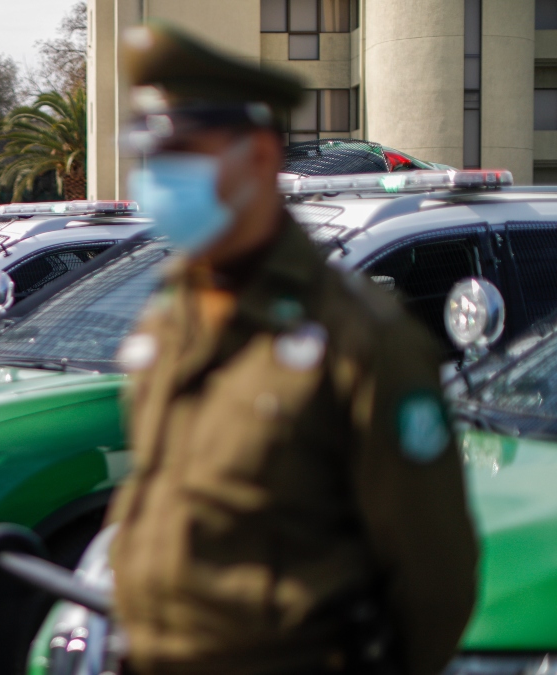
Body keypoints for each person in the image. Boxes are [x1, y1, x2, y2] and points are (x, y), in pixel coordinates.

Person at [107, 22, 477, 675]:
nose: (160, 179)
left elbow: (435, 577)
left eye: (184, 156)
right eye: (152, 158)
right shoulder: (170, 318)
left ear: (258, 158)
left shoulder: (359, 338)